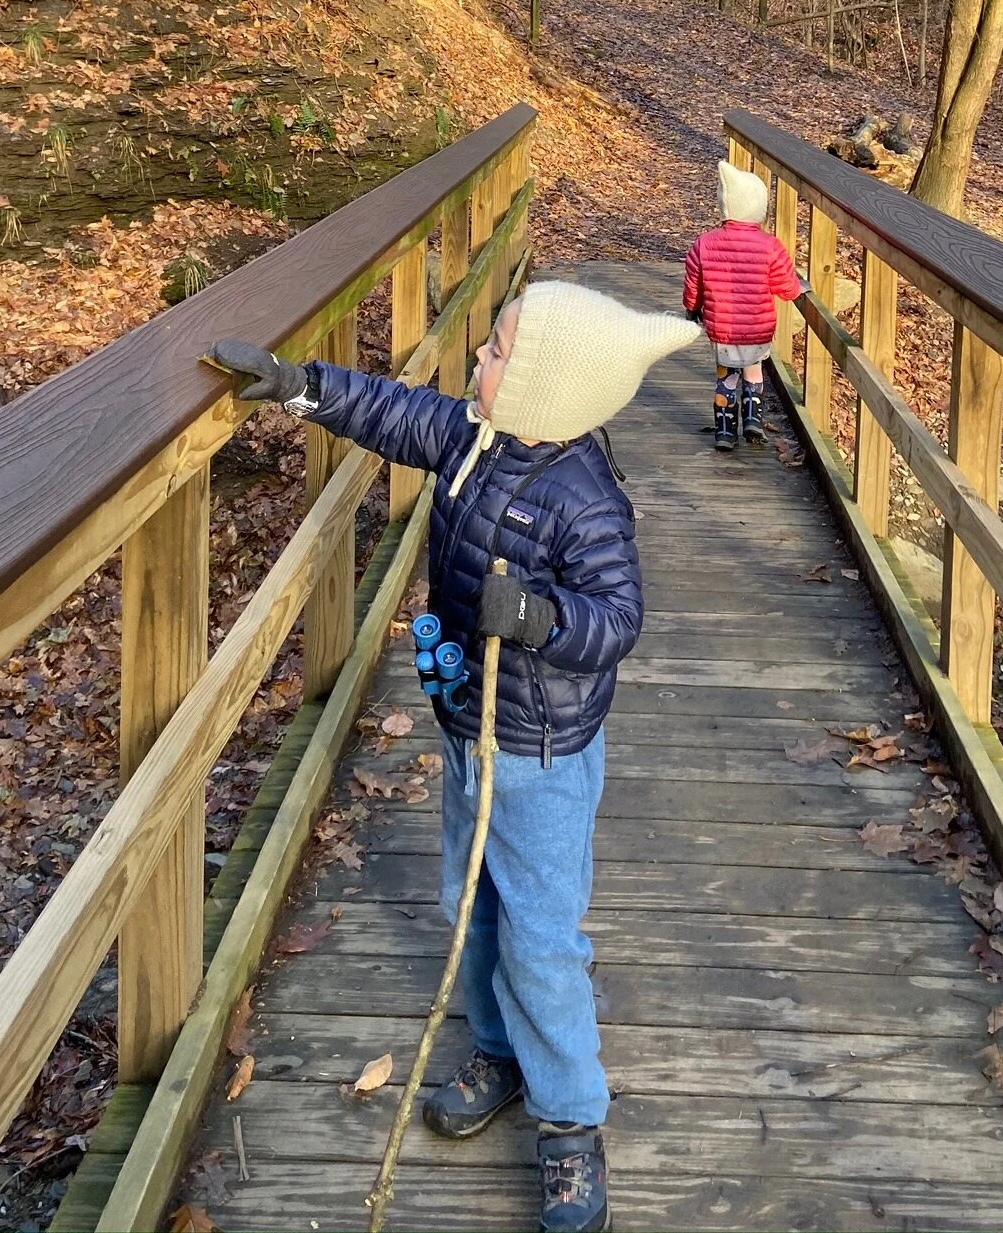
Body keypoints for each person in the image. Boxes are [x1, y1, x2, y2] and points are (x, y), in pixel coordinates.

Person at [207, 279, 698, 1233]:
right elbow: (394, 414)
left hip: (539, 753)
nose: (478, 356)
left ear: (548, 386)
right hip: (468, 719)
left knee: (540, 938)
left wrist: (544, 618)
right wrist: (300, 385)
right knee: (468, 906)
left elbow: (619, 619)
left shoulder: (586, 500)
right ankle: (501, 1051)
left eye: (499, 350)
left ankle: (571, 1124)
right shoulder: (477, 436)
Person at [682, 159, 803, 451]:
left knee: (726, 376)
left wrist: (692, 308)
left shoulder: (704, 244)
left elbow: (693, 284)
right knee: (753, 370)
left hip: (722, 328)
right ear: (758, 208)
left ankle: (725, 432)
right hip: (757, 328)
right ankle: (752, 420)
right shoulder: (770, 246)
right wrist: (799, 288)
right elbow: (787, 288)